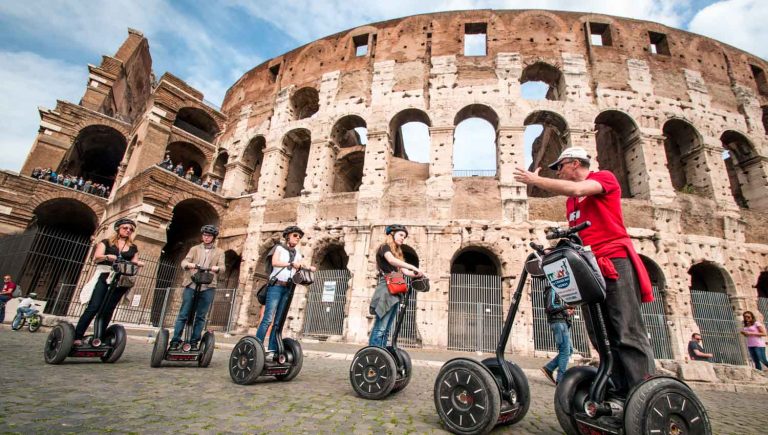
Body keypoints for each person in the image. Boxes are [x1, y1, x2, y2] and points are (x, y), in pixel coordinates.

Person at [514, 146, 655, 393]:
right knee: (599, 332)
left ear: (575, 164)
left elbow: (579, 188)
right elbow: (578, 238)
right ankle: (619, 390)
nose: (557, 172)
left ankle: (643, 392)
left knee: (626, 330)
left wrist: (535, 181)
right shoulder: (571, 202)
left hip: (614, 260)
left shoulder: (603, 178)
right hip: (589, 268)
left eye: (559, 167)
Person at [73, 217, 142, 346]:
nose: (128, 230)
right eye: (125, 228)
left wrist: (138, 263)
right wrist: (107, 256)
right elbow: (96, 258)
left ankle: (99, 337)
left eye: (131, 229)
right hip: (105, 276)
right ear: (118, 229)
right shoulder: (106, 242)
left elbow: (134, 261)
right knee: (94, 307)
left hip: (121, 280)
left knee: (108, 309)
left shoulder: (133, 247)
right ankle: (77, 336)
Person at [255, 225, 315, 357]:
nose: (297, 238)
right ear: (288, 236)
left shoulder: (298, 253)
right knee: (268, 318)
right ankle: (257, 346)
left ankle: (272, 349)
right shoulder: (279, 248)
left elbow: (299, 266)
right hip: (276, 286)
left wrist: (308, 267)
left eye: (299, 237)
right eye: (295, 235)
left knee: (279, 320)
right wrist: (290, 264)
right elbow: (275, 262)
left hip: (288, 288)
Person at [169, 225, 225, 351]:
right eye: (204, 235)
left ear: (213, 238)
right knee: (184, 314)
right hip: (192, 284)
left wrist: (217, 268)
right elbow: (184, 262)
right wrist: (189, 264)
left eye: (209, 236)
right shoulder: (194, 249)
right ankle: (175, 340)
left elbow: (223, 267)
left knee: (201, 316)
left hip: (208, 286)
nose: (206, 237)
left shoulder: (220, 252)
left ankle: (194, 342)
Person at [368, 224, 425, 348]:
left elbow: (405, 272)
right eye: (401, 235)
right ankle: (373, 353)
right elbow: (391, 261)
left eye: (404, 237)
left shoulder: (397, 253)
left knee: (387, 329)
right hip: (386, 289)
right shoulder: (384, 247)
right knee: (380, 328)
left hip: (395, 290)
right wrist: (412, 266)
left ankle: (381, 354)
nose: (402, 238)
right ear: (392, 234)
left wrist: (418, 274)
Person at [541, 285, 574, 385]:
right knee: (565, 351)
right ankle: (560, 380)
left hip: (561, 323)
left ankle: (549, 368)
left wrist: (566, 313)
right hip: (558, 324)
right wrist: (566, 306)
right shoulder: (552, 290)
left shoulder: (555, 291)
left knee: (570, 350)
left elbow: (556, 309)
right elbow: (550, 308)